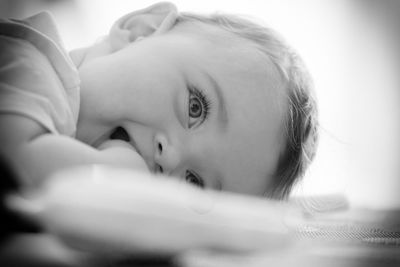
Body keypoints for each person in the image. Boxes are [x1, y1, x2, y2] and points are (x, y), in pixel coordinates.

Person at [0, 2, 318, 200]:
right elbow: (20, 162)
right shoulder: (29, 62)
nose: (171, 158)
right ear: (142, 29)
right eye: (196, 107)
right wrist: (119, 171)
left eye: (194, 183)